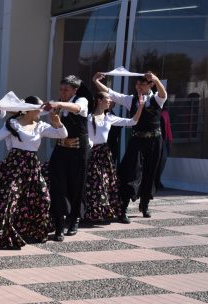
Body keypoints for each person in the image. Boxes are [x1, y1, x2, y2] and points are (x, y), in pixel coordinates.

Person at [0, 96, 67, 249]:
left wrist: (57, 123)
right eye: (39, 108)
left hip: (32, 167)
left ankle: (31, 231)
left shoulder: (40, 126)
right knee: (9, 199)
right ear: (29, 109)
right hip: (14, 167)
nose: (41, 111)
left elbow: (62, 135)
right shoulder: (13, 124)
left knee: (43, 198)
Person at [93, 71, 167, 221]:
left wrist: (157, 79)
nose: (138, 87)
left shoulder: (157, 99)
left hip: (154, 141)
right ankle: (123, 207)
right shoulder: (130, 99)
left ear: (150, 85)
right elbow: (112, 94)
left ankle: (144, 204)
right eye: (137, 84)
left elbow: (163, 93)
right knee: (130, 171)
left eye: (142, 84)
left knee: (150, 172)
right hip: (137, 140)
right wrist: (95, 81)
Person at [84, 92, 143, 223]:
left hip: (105, 154)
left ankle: (110, 212)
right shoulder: (87, 118)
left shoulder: (109, 117)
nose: (110, 101)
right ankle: (91, 213)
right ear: (99, 101)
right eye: (107, 98)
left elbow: (132, 121)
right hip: (92, 154)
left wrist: (140, 107)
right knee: (95, 184)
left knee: (108, 183)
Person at [45, 75, 90, 241]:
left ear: (74, 90)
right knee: (57, 186)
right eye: (61, 89)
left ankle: (74, 219)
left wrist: (59, 104)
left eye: (66, 90)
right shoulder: (57, 104)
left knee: (76, 185)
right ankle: (58, 225)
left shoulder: (81, 100)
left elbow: (77, 108)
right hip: (61, 149)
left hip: (78, 150)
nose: (62, 92)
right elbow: (40, 112)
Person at [157, 101, 173, 189]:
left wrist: (170, 139)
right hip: (155, 140)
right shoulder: (154, 111)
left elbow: (168, 127)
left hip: (164, 140)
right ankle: (154, 181)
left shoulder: (165, 113)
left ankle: (158, 179)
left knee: (163, 159)